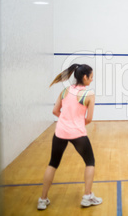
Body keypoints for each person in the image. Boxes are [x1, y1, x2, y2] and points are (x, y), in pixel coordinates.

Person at [37, 64, 102, 210]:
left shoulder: (65, 90)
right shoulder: (89, 94)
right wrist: (76, 123)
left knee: (53, 163)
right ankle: (87, 197)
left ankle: (42, 199)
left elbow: (55, 111)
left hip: (60, 132)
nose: (91, 80)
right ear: (85, 77)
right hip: (78, 133)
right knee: (90, 161)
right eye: (91, 77)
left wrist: (66, 120)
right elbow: (89, 118)